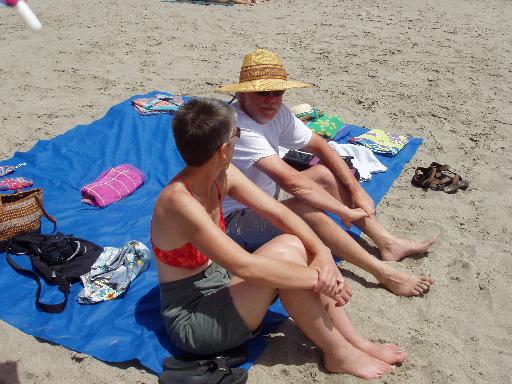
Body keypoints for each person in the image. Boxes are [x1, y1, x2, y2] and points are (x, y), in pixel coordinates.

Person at [151, 98, 406, 379]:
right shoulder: (179, 203)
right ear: (225, 150)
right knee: (288, 263)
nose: (239, 138)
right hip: (194, 321)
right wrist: (319, 278)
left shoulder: (222, 174)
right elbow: (245, 267)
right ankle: (339, 353)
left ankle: (355, 343)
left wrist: (321, 253)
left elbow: (279, 214)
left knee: (296, 243)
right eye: (237, 134)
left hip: (222, 285)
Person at [217, 48, 436, 297]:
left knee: (324, 175)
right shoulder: (239, 129)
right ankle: (383, 273)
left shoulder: (277, 112)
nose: (271, 99)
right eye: (262, 92)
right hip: (232, 222)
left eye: (277, 92)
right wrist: (342, 210)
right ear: (242, 93)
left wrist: (356, 190)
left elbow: (321, 145)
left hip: (262, 199)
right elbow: (293, 183)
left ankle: (387, 242)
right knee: (304, 210)